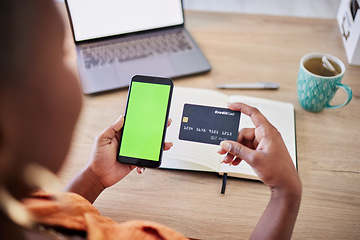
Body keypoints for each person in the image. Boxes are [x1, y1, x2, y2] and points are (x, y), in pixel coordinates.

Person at [0, 0, 302, 239]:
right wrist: (286, 192)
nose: (74, 73)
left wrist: (95, 177)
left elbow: (51, 220)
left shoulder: (17, 208)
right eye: (61, 57)